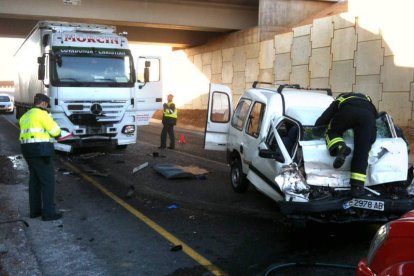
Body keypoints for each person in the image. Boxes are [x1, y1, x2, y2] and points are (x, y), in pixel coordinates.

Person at [315, 92, 378, 197]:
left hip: (348, 112)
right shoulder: (368, 99)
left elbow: (325, 117)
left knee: (332, 132)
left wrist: (316, 130)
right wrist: (370, 137)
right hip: (367, 117)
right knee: (362, 151)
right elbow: (375, 117)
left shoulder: (341, 98)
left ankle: (340, 147)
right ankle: (357, 187)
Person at [19, 93, 63, 221]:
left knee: (35, 181)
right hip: (41, 150)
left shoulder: (25, 116)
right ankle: (48, 213)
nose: (47, 107)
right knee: (48, 182)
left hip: (27, 150)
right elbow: (56, 132)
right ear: (43, 103)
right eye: (47, 104)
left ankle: (35, 211)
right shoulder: (42, 114)